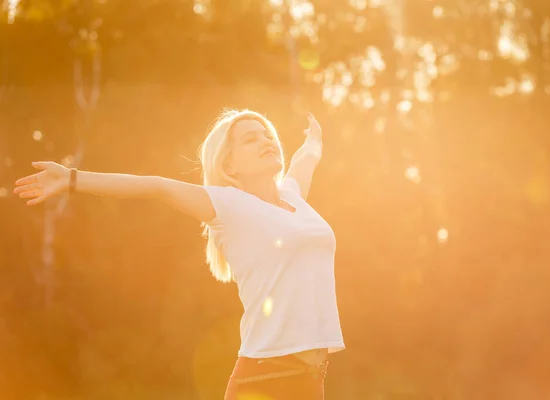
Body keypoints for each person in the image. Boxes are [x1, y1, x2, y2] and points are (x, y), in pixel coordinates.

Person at [13, 109, 345, 399]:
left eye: (267, 135)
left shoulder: (294, 198)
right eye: (250, 139)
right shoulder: (228, 205)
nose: (265, 141)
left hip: (310, 379)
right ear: (228, 163)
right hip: (266, 375)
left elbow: (306, 158)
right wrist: (71, 177)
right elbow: (157, 186)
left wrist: (314, 139)